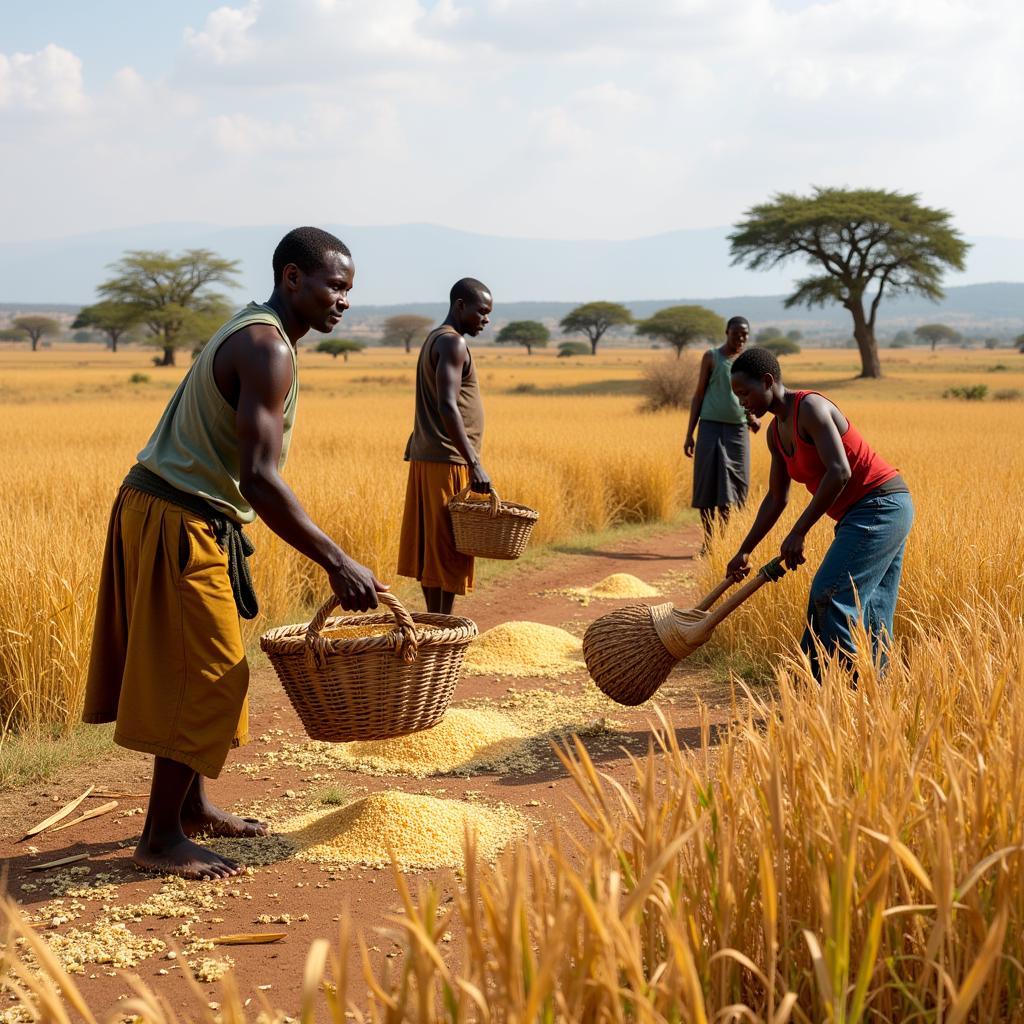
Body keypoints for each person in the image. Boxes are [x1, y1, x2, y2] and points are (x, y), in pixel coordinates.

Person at [83, 227, 386, 880]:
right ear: (292, 278)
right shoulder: (265, 347)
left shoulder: (262, 337)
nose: (343, 301)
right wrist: (336, 559)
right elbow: (258, 478)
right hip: (177, 516)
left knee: (202, 664)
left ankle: (191, 810)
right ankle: (159, 837)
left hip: (181, 512)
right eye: (335, 285)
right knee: (211, 672)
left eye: (350, 290)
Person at [726, 346, 913, 678]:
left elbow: (839, 471)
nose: (742, 401)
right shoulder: (774, 433)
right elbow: (775, 498)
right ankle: (870, 697)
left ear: (768, 381)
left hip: (880, 507)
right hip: (861, 515)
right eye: (737, 395)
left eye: (745, 392)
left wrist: (799, 532)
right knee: (870, 610)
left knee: (831, 594)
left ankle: (849, 694)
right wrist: (745, 549)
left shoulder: (810, 407)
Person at [397, 278, 492, 614]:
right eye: (481, 312)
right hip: (447, 459)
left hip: (432, 456)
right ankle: (442, 627)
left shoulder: (436, 339)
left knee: (433, 551)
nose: (486, 319)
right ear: (460, 305)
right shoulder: (452, 344)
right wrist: (474, 462)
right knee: (447, 549)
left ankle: (436, 623)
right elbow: (448, 405)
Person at [684, 316, 760, 551]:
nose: (741, 338)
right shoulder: (712, 357)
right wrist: (690, 433)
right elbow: (698, 394)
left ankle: (725, 540)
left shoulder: (748, 361)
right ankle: (708, 541)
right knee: (707, 484)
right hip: (709, 427)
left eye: (745, 334)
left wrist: (752, 417)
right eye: (736, 333)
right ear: (727, 332)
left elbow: (749, 395)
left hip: (737, 430)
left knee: (732, 487)